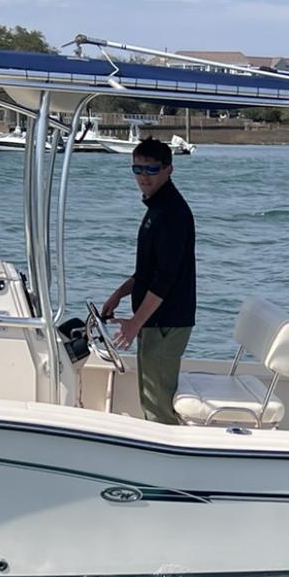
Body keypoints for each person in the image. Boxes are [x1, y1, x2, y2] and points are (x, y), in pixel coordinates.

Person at [101, 136, 196, 425]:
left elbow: (165, 279)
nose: (144, 177)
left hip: (166, 322)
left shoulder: (170, 214)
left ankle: (173, 462)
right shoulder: (157, 209)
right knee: (149, 397)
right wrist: (119, 293)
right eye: (138, 169)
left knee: (159, 405)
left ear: (168, 169)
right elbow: (149, 271)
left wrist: (134, 324)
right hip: (155, 321)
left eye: (152, 169)